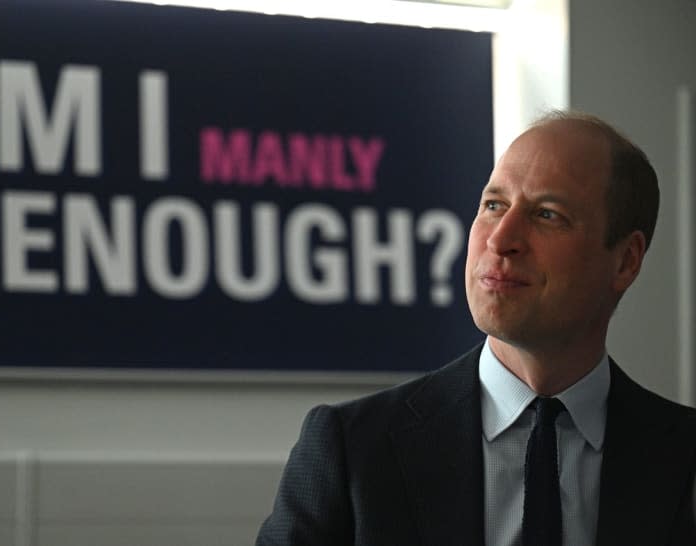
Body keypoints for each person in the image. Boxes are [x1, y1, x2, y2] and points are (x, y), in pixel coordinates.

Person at [255, 111, 696, 546]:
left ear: (625, 260)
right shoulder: (352, 450)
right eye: (493, 205)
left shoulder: (683, 460)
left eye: (547, 214)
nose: (500, 238)